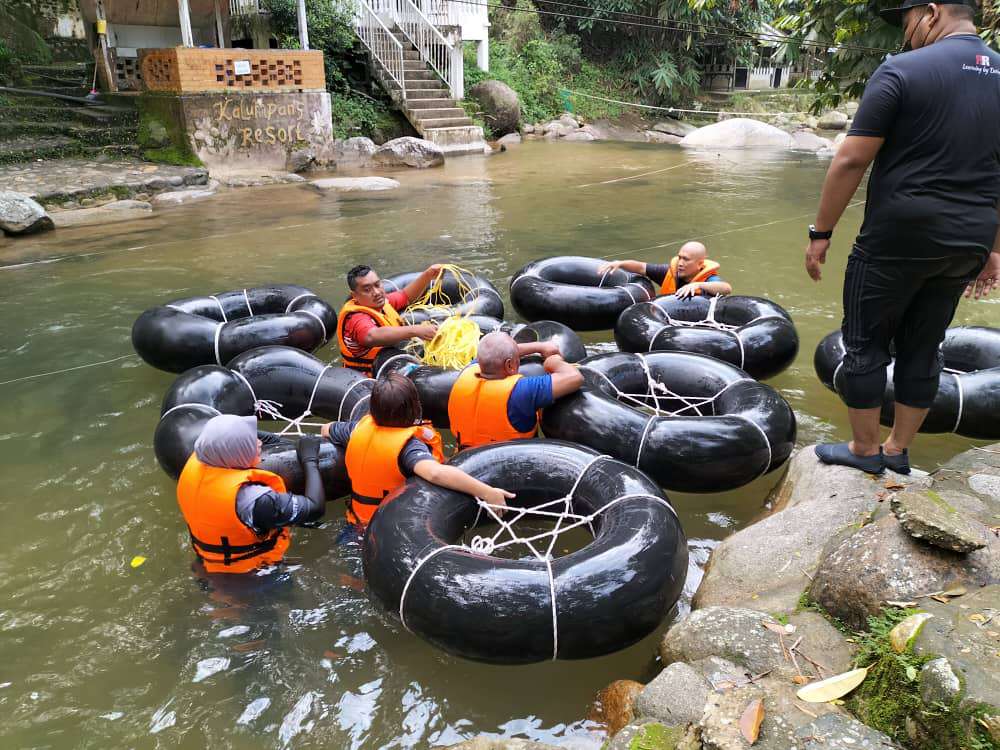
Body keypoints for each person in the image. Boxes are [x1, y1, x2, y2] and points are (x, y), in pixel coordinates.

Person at [805, 0, 1000, 475]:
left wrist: (821, 233)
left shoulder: (902, 70)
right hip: (968, 241)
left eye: (908, 21)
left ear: (932, 12)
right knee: (924, 345)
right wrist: (995, 248)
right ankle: (897, 451)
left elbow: (851, 159)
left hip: (900, 236)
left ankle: (865, 450)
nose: (906, 34)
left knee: (865, 343)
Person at [322, 373, 515, 525]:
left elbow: (326, 429)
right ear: (415, 408)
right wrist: (487, 492)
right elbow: (435, 473)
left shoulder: (356, 429)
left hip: (355, 523)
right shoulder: (408, 447)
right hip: (391, 528)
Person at [176, 414, 326, 574]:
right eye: (250, 442)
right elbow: (315, 508)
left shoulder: (199, 461)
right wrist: (310, 460)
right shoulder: (253, 499)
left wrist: (274, 440)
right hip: (252, 576)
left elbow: (225, 437)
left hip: (206, 563)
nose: (259, 442)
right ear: (237, 453)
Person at [447, 332, 584, 450]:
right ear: (509, 365)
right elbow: (575, 377)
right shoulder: (521, 391)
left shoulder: (466, 373)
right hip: (510, 466)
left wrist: (540, 346)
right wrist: (553, 361)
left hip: (464, 461)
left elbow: (492, 353)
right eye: (516, 360)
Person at [336, 263, 444, 376]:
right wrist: (415, 330)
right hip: (370, 377)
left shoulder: (381, 303)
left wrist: (428, 275)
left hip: (393, 361)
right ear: (354, 295)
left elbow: (405, 297)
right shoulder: (355, 318)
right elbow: (371, 336)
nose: (376, 292)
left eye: (377, 285)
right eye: (367, 289)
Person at [598, 242, 732, 299]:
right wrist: (620, 263)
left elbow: (726, 288)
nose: (680, 263)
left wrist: (698, 285)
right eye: (679, 257)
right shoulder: (670, 273)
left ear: (700, 264)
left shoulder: (709, 280)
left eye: (686, 259)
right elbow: (642, 267)